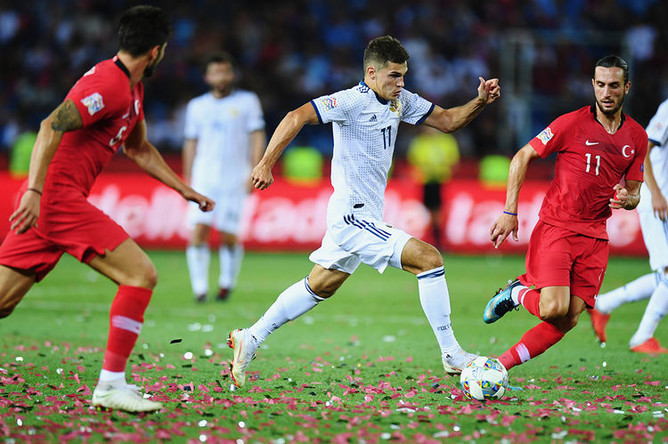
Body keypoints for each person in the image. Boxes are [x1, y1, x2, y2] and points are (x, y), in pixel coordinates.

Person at [226, 35, 501, 387]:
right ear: (371, 73)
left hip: (367, 214)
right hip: (351, 216)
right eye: (394, 76)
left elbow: (448, 121)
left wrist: (480, 101)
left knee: (321, 284)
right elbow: (296, 116)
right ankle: (451, 353)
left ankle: (251, 337)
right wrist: (266, 163)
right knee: (429, 259)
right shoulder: (349, 101)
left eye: (403, 76)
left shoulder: (400, 101)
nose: (401, 83)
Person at [0, 6, 214, 412]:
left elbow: (138, 149)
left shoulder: (132, 90)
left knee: (3, 302)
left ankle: (112, 385)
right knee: (140, 274)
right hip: (56, 199)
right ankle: (111, 385)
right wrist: (35, 190)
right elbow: (50, 125)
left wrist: (184, 189)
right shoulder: (110, 84)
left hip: (51, 204)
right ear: (156, 51)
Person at [482, 55, 647, 372]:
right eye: (600, 85)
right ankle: (517, 293)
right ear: (593, 85)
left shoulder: (637, 137)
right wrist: (509, 211)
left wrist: (629, 199)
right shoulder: (570, 123)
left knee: (568, 318)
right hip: (558, 227)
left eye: (614, 85)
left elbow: (634, 193)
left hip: (595, 236)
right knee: (553, 308)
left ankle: (499, 366)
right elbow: (522, 157)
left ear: (627, 87)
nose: (606, 92)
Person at [182, 52, 265, 303]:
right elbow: (190, 142)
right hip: (204, 177)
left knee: (229, 234)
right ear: (207, 77)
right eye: (216, 72)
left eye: (225, 72)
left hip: (235, 177)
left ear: (232, 74)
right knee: (199, 230)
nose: (221, 77)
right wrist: (188, 178)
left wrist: (256, 169)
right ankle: (199, 288)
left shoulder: (248, 101)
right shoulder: (197, 106)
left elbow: (257, 136)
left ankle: (226, 283)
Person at [588, 98, 668, 354]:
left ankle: (605, 304)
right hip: (658, 202)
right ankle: (642, 337)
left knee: (664, 275)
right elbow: (646, 149)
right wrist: (655, 194)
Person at [407, 125, 460, 249]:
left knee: (438, 211)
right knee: (429, 210)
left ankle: (438, 239)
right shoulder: (419, 142)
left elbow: (453, 162)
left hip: (442, 182)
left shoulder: (446, 141)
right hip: (425, 182)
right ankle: (434, 239)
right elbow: (413, 162)